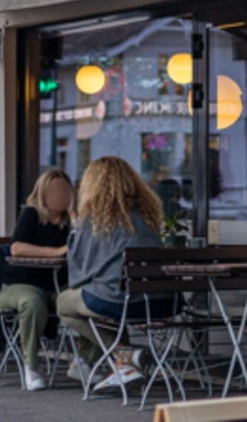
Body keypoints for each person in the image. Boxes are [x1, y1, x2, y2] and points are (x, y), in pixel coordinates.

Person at [56, 156, 166, 391]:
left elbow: (80, 271)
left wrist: (75, 225)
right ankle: (123, 366)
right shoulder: (147, 216)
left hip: (118, 301)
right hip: (159, 301)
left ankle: (124, 355)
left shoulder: (96, 218)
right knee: (105, 302)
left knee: (64, 303)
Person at [0, 168, 74, 391]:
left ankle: (85, 361)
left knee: (88, 298)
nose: (60, 195)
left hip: (58, 285)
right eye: (54, 190)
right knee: (32, 303)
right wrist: (58, 251)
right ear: (42, 193)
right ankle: (31, 365)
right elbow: (17, 248)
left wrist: (76, 216)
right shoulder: (31, 214)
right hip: (20, 284)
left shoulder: (72, 220)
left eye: (64, 190)